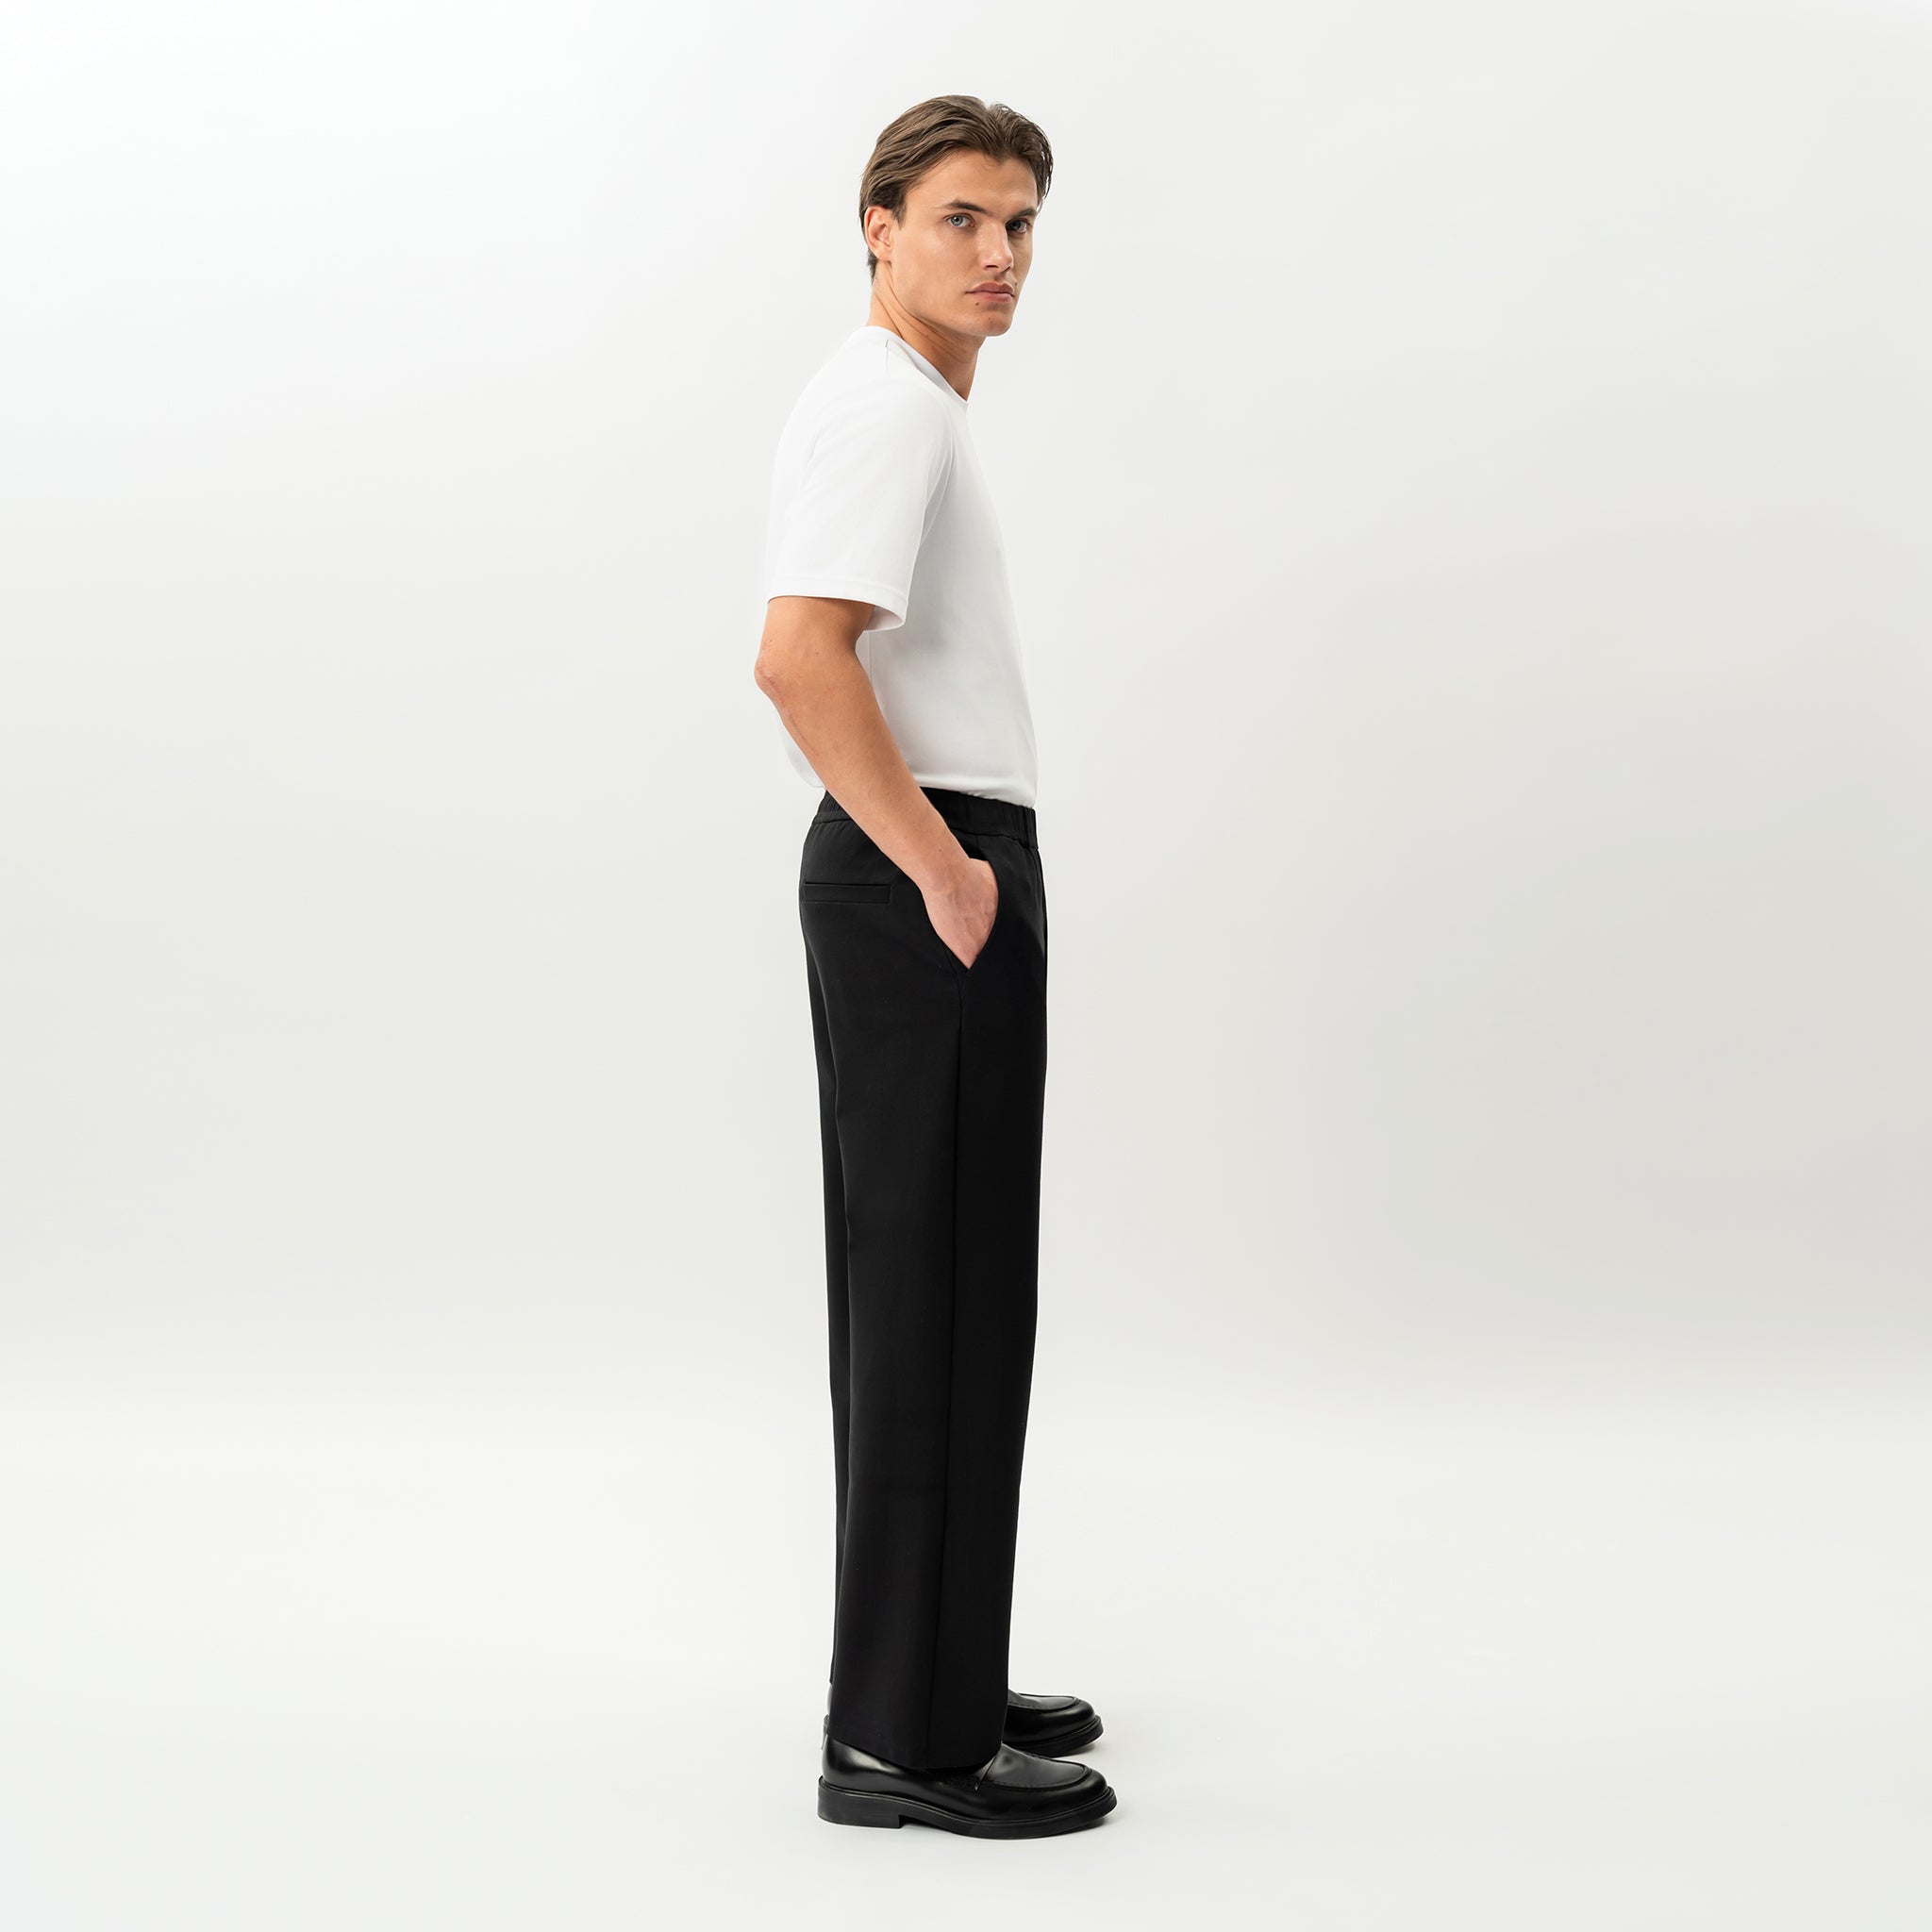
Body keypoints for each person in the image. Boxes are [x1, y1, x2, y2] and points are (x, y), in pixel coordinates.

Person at [753, 96, 1117, 1840]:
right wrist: (948, 874)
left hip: (926, 868)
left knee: (940, 1297)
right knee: (940, 1304)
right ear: (879, 228)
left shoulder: (904, 404)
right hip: (929, 869)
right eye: (964, 218)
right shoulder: (888, 405)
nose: (1001, 254)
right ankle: (907, 1737)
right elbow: (798, 658)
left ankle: (930, 1673)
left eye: (1022, 223)